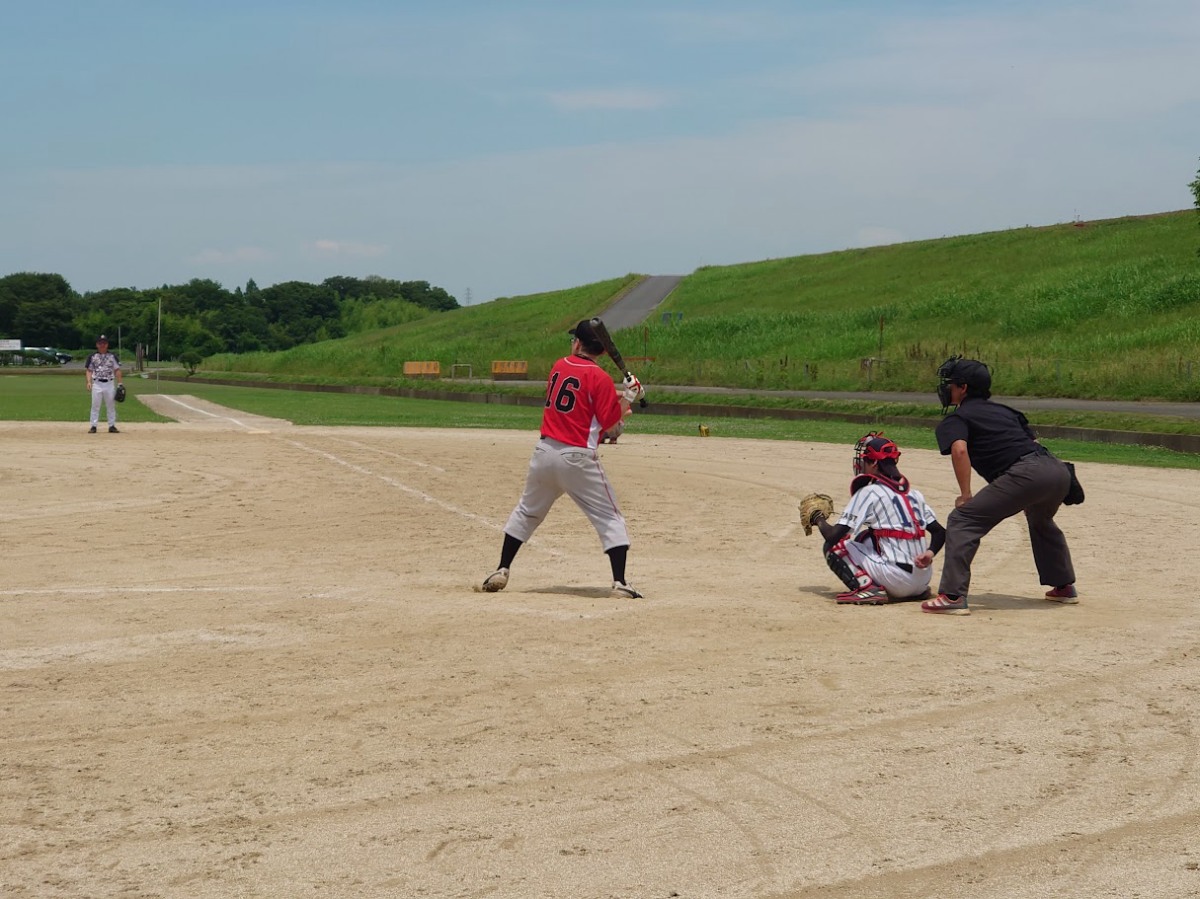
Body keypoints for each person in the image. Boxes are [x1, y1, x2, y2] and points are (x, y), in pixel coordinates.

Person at [480, 319, 645, 598]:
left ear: (578, 344)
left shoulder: (559, 366)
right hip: (577, 458)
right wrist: (629, 396)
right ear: (602, 350)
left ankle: (502, 568)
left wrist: (626, 393)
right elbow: (608, 422)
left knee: (527, 511)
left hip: (544, 453)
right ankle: (620, 582)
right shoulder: (600, 378)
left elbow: (584, 390)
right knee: (610, 517)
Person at [922, 356, 1077, 615]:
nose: (947, 388)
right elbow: (1034, 445)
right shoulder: (1007, 412)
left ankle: (952, 596)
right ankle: (1064, 586)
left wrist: (965, 495)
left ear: (963, 388)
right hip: (1057, 470)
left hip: (1027, 474)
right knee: (1040, 520)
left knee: (962, 519)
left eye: (951, 383)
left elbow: (960, 451)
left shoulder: (957, 418)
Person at [811, 432, 946, 605]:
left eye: (865, 460)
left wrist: (818, 518)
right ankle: (912, 590)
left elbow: (832, 536)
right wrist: (930, 553)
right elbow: (940, 532)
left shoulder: (869, 492)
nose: (861, 464)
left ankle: (868, 589)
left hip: (897, 580)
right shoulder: (914, 494)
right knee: (866, 537)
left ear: (874, 463)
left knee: (834, 546)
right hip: (922, 581)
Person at [85, 334, 124, 434]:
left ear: (107, 344)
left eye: (104, 343)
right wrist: (89, 382)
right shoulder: (92, 356)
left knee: (111, 405)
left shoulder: (112, 356)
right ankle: (93, 426)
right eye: (100, 343)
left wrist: (120, 383)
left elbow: (117, 370)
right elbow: (89, 370)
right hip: (97, 383)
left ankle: (112, 425)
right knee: (95, 405)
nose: (102, 345)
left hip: (109, 383)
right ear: (97, 345)